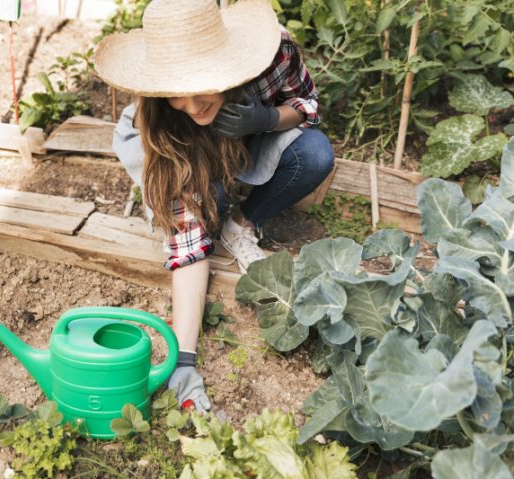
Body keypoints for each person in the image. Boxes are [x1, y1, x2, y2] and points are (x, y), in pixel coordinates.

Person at [94, 0, 334, 412]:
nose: (192, 105)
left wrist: (265, 120)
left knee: (314, 154)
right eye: (176, 95)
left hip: (247, 126)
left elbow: (307, 105)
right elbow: (187, 242)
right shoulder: (163, 121)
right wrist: (182, 359)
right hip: (180, 149)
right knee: (205, 206)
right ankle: (215, 203)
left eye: (202, 87)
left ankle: (241, 222)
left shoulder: (272, 54)